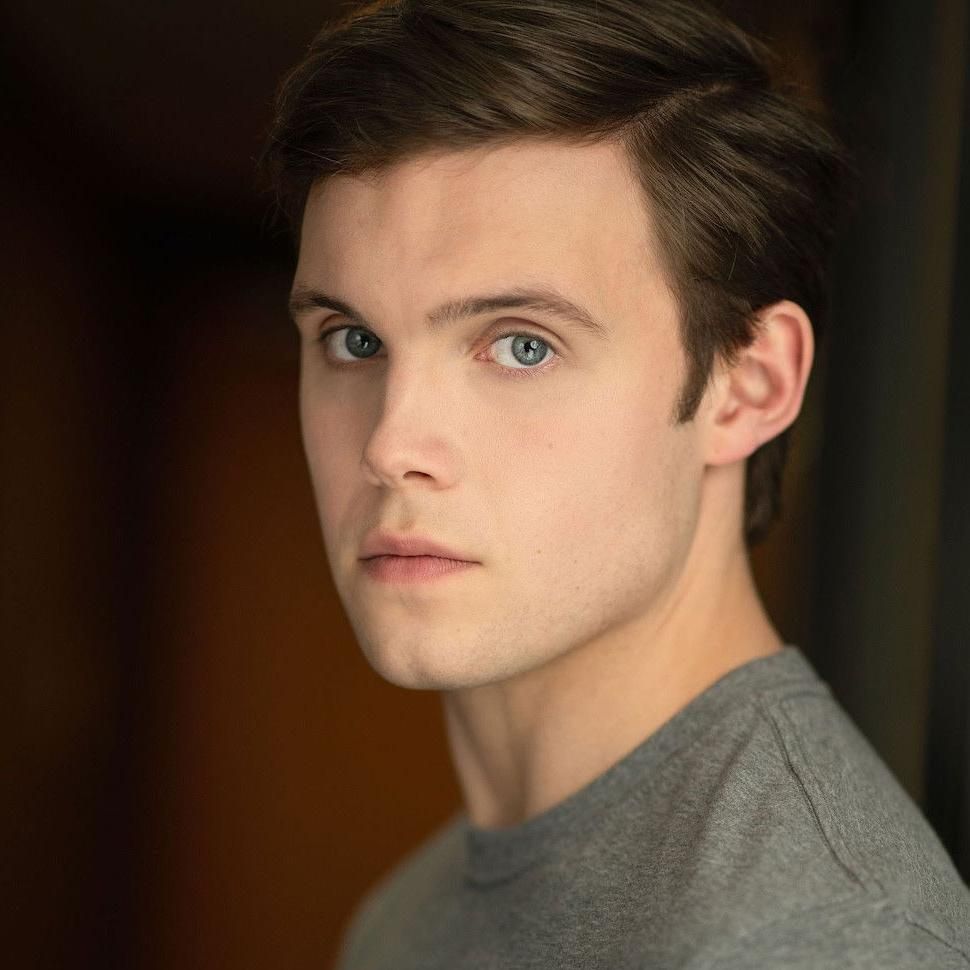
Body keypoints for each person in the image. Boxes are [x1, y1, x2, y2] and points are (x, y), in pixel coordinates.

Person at [260, 0, 970, 966]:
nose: (390, 445)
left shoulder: (816, 939)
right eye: (354, 340)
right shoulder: (405, 918)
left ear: (748, 388)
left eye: (521, 345)